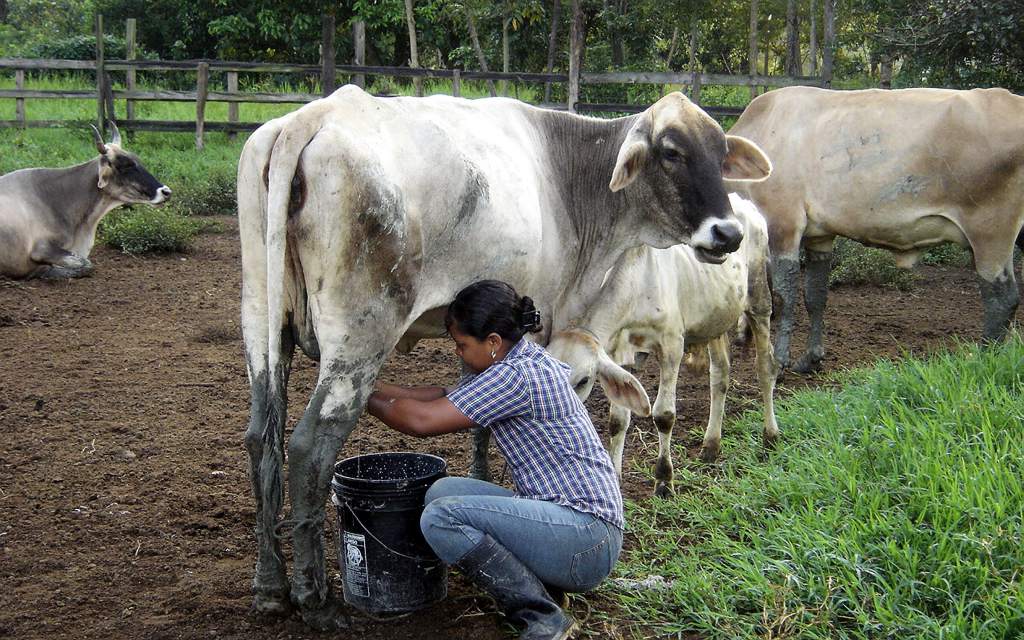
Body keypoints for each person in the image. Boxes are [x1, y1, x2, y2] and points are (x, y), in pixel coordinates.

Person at [367, 280, 624, 640]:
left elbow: (421, 421)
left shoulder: (515, 376)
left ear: (492, 342)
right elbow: (439, 395)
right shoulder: (521, 359)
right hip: (576, 527)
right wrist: (368, 385)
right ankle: (545, 588)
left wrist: (358, 399)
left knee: (441, 518)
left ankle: (542, 615)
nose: (457, 353)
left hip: (586, 539)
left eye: (462, 345)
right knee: (441, 492)